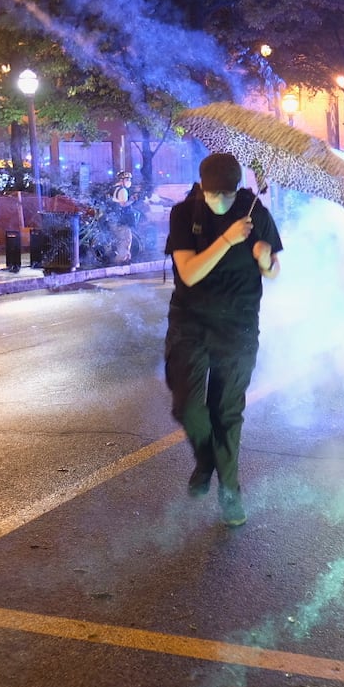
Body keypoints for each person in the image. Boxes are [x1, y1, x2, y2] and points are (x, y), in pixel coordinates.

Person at [163, 153, 282, 527]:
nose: (221, 202)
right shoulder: (184, 214)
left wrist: (265, 260)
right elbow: (190, 272)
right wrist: (229, 240)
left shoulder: (254, 210)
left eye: (227, 196)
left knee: (226, 413)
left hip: (239, 326)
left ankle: (230, 492)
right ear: (201, 188)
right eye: (215, 195)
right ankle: (206, 462)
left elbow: (275, 271)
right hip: (190, 323)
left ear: (237, 189)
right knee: (187, 407)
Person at [108, 171, 136, 264]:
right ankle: (121, 260)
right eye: (127, 179)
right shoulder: (122, 190)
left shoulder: (113, 189)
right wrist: (132, 200)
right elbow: (123, 204)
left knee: (120, 240)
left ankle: (126, 258)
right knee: (125, 240)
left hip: (113, 219)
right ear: (121, 180)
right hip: (121, 221)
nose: (129, 181)